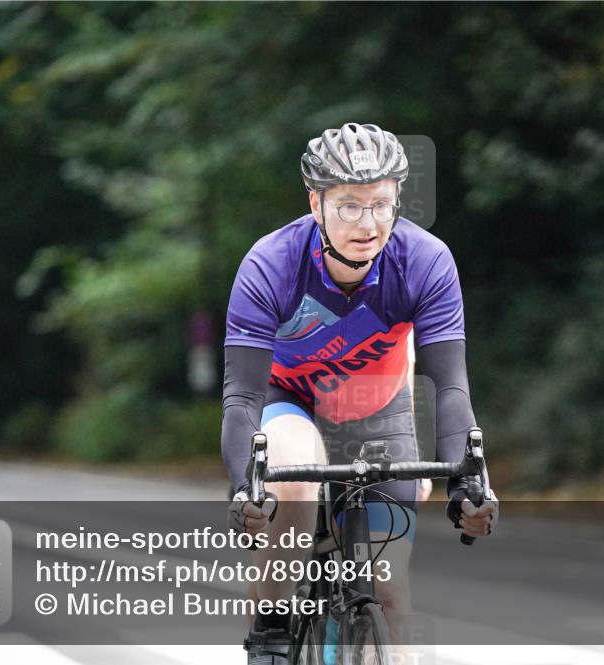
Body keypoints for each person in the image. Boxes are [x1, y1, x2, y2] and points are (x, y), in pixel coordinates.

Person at [222, 122, 498, 664]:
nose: (367, 224)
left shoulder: (425, 260)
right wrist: (244, 488)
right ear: (316, 203)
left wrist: (467, 480)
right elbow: (241, 399)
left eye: (381, 204)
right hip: (290, 402)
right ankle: (273, 632)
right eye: (349, 205)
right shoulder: (270, 264)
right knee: (295, 483)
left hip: (380, 410)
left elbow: (450, 386)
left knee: (390, 594)